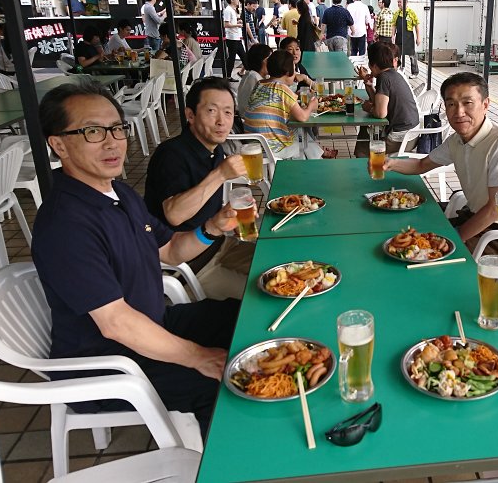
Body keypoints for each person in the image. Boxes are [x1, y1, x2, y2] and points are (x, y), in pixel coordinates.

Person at [32, 81, 242, 434]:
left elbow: (171, 250)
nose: (112, 142)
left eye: (117, 128)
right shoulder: (65, 224)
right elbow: (116, 323)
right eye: (93, 131)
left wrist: (212, 228)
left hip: (151, 324)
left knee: (240, 316)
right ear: (59, 144)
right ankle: (231, 459)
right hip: (107, 363)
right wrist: (197, 356)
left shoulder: (119, 193)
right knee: (222, 387)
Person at [383, 72, 498, 243]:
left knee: (422, 249)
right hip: (471, 216)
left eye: (467, 103)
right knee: (403, 231)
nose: (459, 112)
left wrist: (455, 239)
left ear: (485, 105)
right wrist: (390, 163)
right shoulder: (456, 140)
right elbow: (421, 165)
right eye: (451, 104)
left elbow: (496, 209)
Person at [144, 77, 254, 298]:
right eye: (212, 111)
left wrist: (228, 217)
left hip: (221, 246)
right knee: (263, 297)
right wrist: (220, 174)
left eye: (228, 112)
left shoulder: (215, 150)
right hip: (191, 266)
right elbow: (175, 215)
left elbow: (205, 205)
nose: (222, 121)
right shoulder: (171, 154)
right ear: (190, 115)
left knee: (282, 267)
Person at [243, 50, 326, 159]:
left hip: (253, 145)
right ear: (287, 72)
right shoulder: (282, 89)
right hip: (272, 148)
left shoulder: (260, 84)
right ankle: (314, 163)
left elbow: (273, 106)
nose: (295, 73)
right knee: (302, 139)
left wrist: (295, 96)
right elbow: (303, 117)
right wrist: (311, 106)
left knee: (298, 131)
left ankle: (318, 157)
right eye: (294, 70)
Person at [354, 41, 420, 158]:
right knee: (366, 131)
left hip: (400, 140)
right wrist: (369, 85)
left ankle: (363, 164)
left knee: (364, 139)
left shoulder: (383, 78)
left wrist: (369, 108)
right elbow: (380, 102)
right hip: (412, 135)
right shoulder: (394, 74)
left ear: (374, 65)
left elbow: (381, 113)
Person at [237, 44, 273, 116]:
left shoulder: (256, 75)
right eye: (271, 59)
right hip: (251, 119)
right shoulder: (253, 77)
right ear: (264, 61)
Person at [391, 0, 420, 77]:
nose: (398, 4)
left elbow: (416, 25)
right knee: (398, 54)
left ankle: (415, 72)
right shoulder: (396, 13)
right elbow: (394, 25)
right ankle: (399, 71)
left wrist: (418, 38)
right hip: (399, 36)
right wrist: (392, 35)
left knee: (412, 55)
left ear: (406, 2)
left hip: (409, 37)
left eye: (400, 2)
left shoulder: (411, 13)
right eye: (398, 2)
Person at [222, 0, 246, 82]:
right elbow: (226, 24)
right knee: (232, 58)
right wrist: (237, 25)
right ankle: (228, 76)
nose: (238, 0)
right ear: (232, 0)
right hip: (232, 38)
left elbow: (231, 23)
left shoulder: (233, 10)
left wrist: (237, 22)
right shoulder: (228, 10)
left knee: (243, 56)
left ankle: (249, 73)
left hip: (236, 37)